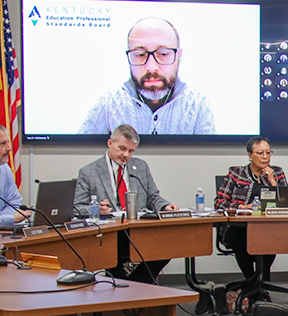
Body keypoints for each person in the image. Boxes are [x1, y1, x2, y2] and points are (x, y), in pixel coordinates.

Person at [78, 17, 215, 135]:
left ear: (178, 56)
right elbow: (80, 156)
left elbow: (210, 162)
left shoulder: (197, 103)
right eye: (140, 55)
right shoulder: (110, 103)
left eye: (163, 54)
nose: (151, 67)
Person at [73, 124, 175, 282]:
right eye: (122, 148)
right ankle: (132, 288)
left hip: (139, 229)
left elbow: (153, 197)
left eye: (131, 151)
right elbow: (77, 208)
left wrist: (165, 206)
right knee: (115, 256)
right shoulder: (89, 172)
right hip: (111, 234)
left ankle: (133, 286)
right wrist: (97, 209)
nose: (126, 155)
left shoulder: (140, 167)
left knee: (169, 245)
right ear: (109, 144)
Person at [216, 137, 287, 304]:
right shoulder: (236, 173)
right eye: (260, 153)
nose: (265, 157)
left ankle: (253, 287)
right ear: (250, 154)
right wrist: (243, 207)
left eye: (268, 153)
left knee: (274, 238)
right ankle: (255, 284)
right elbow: (219, 202)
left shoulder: (277, 172)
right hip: (241, 227)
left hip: (269, 228)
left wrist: (272, 181)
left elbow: (286, 202)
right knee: (242, 236)